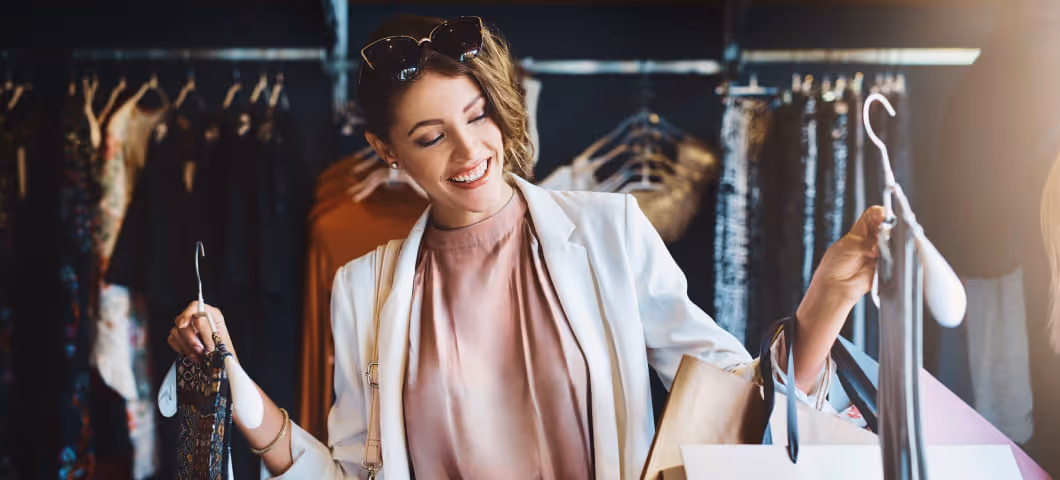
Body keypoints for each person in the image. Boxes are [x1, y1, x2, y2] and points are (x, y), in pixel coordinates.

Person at [167, 15, 885, 479]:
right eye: (429, 136)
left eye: (477, 115)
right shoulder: (364, 288)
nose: (468, 149)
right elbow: (356, 474)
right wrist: (239, 390)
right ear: (385, 150)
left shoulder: (608, 231)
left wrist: (823, 305)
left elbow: (741, 399)